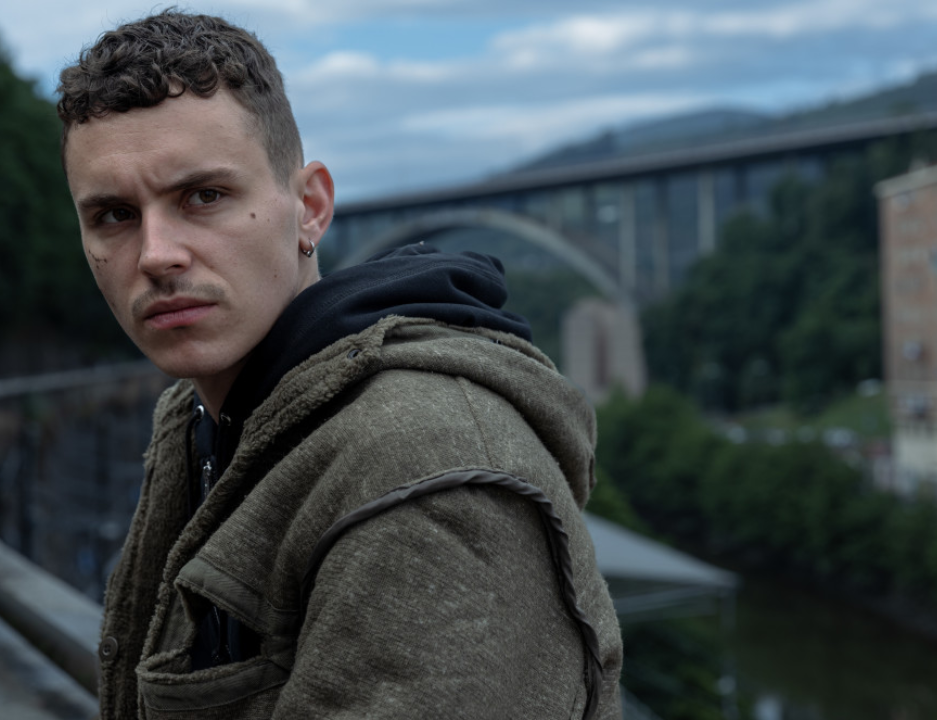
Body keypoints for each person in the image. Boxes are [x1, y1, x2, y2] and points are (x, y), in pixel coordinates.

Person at [57, 10, 623, 719]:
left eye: (204, 197)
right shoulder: (202, 419)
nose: (156, 254)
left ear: (310, 207)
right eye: (114, 215)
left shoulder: (426, 467)